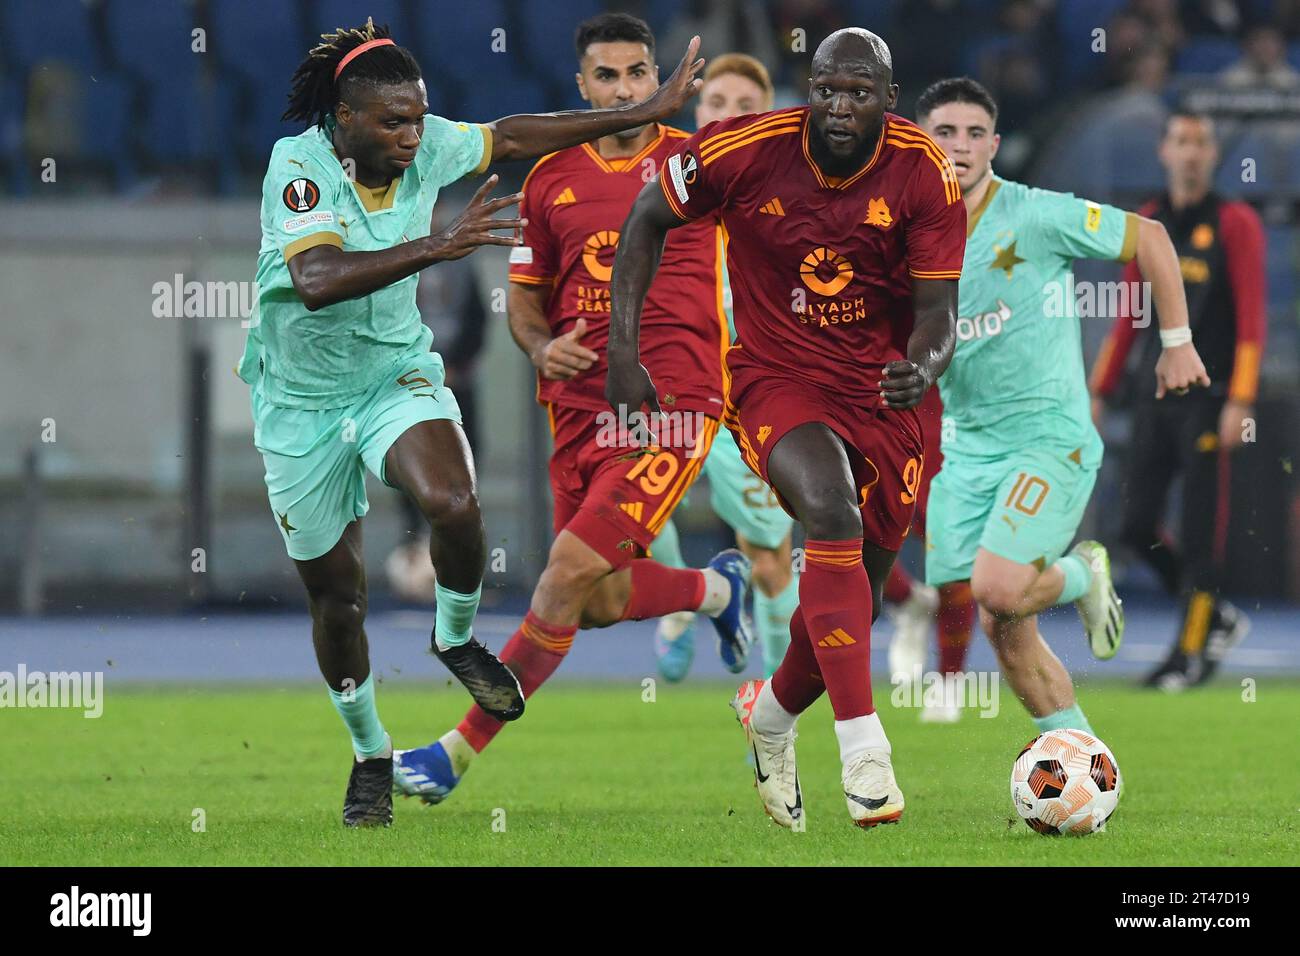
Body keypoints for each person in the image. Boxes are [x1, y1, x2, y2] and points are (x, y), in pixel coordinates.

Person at [240, 17, 705, 827]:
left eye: (420, 118)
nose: (416, 137)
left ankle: (455, 640)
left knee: (454, 503)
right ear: (345, 119)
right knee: (337, 600)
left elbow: (516, 133)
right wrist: (439, 246)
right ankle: (368, 750)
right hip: (301, 402)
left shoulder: (431, 144)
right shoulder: (300, 167)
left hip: (392, 374)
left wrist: (639, 112)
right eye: (395, 122)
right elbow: (315, 277)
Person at [391, 14, 752, 805]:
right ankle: (717, 591)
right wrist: (539, 347)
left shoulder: (697, 166)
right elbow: (525, 301)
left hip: (674, 407)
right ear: (581, 88)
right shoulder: (550, 179)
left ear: (654, 77)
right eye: (608, 77)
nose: (626, 89)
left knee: (562, 576)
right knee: (600, 601)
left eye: (637, 74)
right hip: (578, 413)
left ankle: (455, 752)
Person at [610, 29, 967, 829]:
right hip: (777, 375)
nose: (840, 107)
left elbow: (941, 312)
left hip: (884, 390)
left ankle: (770, 718)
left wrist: (927, 363)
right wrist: (622, 350)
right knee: (829, 511)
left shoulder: (923, 170)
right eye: (827, 89)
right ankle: (864, 750)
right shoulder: (745, 148)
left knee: (853, 604)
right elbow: (643, 219)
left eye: (859, 93)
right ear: (808, 89)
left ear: (889, 100)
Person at [915, 77, 1210, 736]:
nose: (959, 146)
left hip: (1050, 440)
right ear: (919, 141)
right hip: (966, 450)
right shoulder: (902, 234)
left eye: (972, 134)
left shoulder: (1035, 214)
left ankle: (1082, 571)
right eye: (944, 132)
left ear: (993, 144)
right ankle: (1079, 756)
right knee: (1000, 622)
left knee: (996, 589)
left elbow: (1152, 238)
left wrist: (1176, 343)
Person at [1090, 110, 1266, 690]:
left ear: (1213, 156)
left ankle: (1188, 654)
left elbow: (1251, 324)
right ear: (1164, 152)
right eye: (1181, 142)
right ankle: (1216, 618)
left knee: (1199, 529)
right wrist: (1101, 389)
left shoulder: (1235, 222)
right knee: (1135, 523)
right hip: (1153, 396)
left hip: (1209, 399)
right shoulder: (1148, 220)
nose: (1191, 153)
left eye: (1201, 143)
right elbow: (1128, 317)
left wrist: (1240, 397)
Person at [649, 53, 802, 684]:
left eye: (746, 107)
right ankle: (686, 604)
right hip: (677, 388)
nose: (729, 117)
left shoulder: (797, 197)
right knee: (633, 513)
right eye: (717, 104)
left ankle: (771, 710)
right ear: (696, 112)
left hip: (753, 402)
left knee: (768, 558)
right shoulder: (663, 187)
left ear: (766, 116)